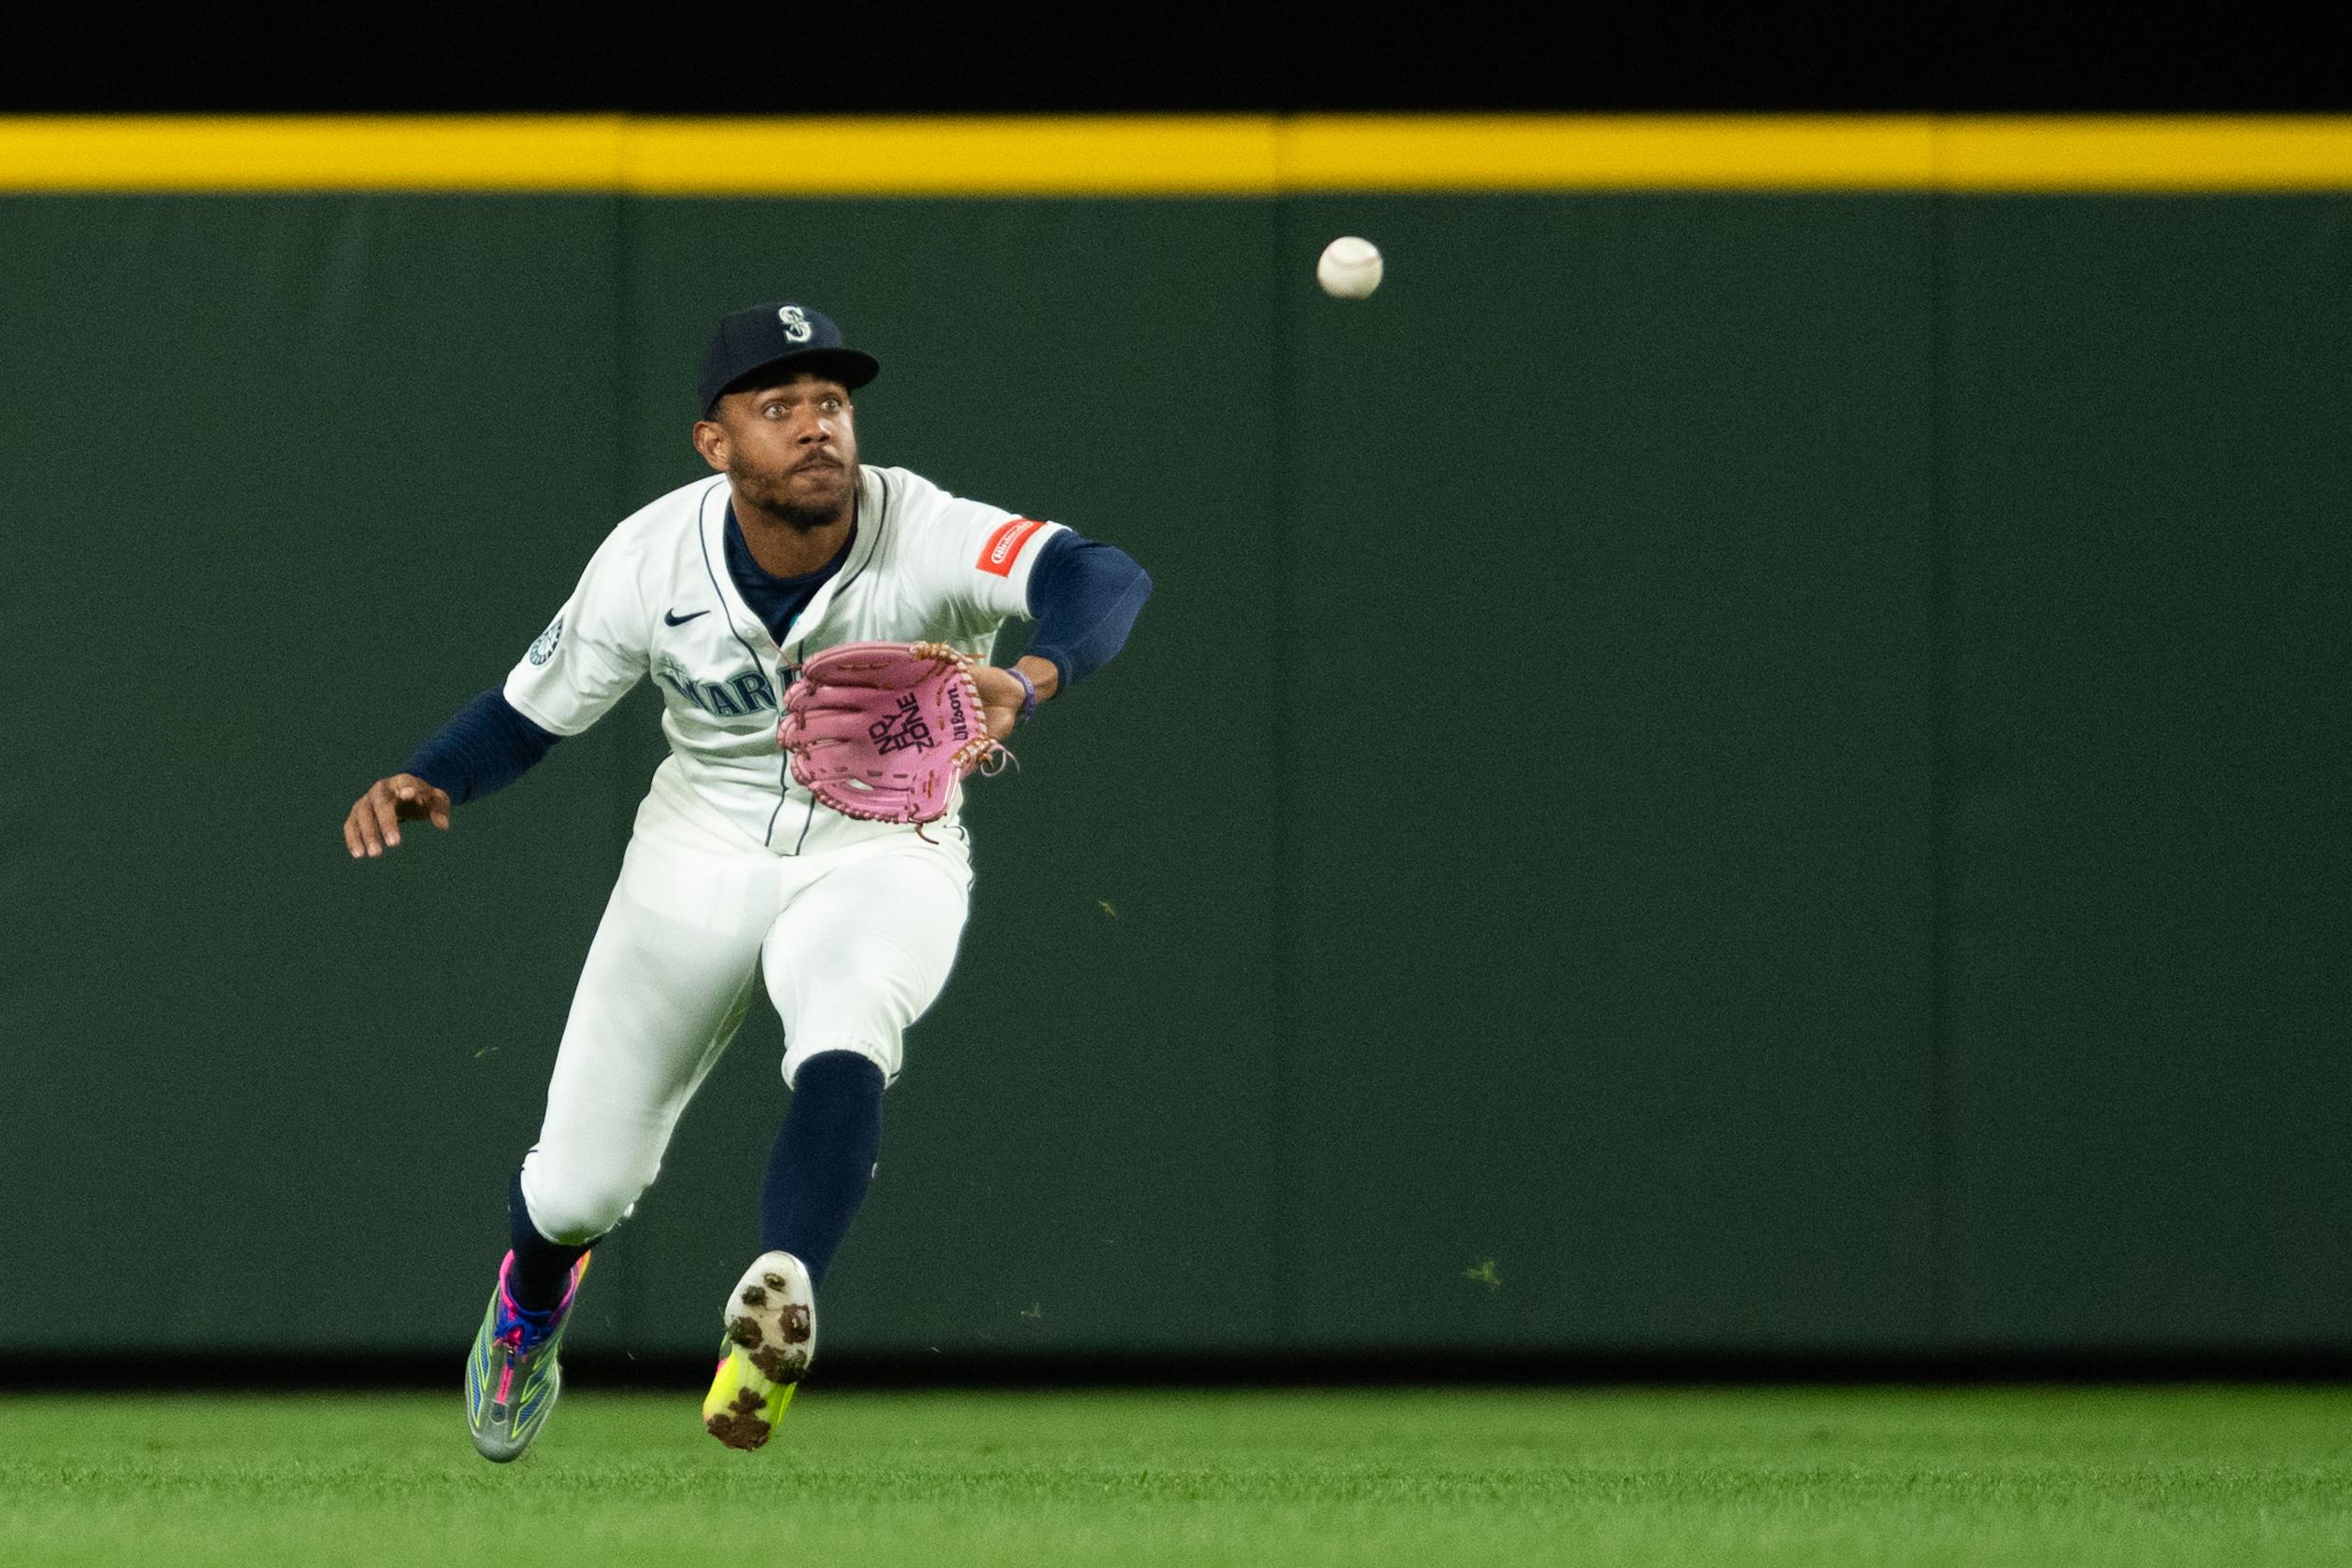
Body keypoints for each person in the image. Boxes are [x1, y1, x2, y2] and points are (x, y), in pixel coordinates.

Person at [341, 302, 1153, 1461]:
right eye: (777, 407)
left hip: (887, 846)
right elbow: (529, 713)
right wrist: (432, 777)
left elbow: (1103, 574)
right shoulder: (649, 557)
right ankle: (528, 1303)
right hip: (698, 852)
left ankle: (778, 1300)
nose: (815, 427)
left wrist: (1036, 671)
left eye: (830, 402)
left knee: (846, 1018)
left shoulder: (920, 526)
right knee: (578, 1186)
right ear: (715, 445)